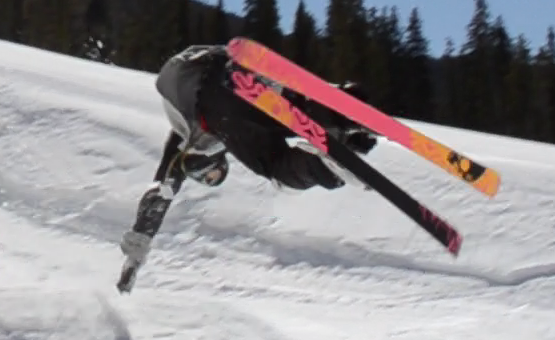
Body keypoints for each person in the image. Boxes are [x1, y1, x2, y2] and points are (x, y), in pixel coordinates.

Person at [118, 44, 376, 288]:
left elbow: (158, 198)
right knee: (285, 119)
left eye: (209, 175)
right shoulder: (202, 136)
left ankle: (322, 163)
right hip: (229, 72)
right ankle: (339, 119)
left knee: (277, 167)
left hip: (208, 90)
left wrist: (134, 256)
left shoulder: (184, 148)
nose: (208, 174)